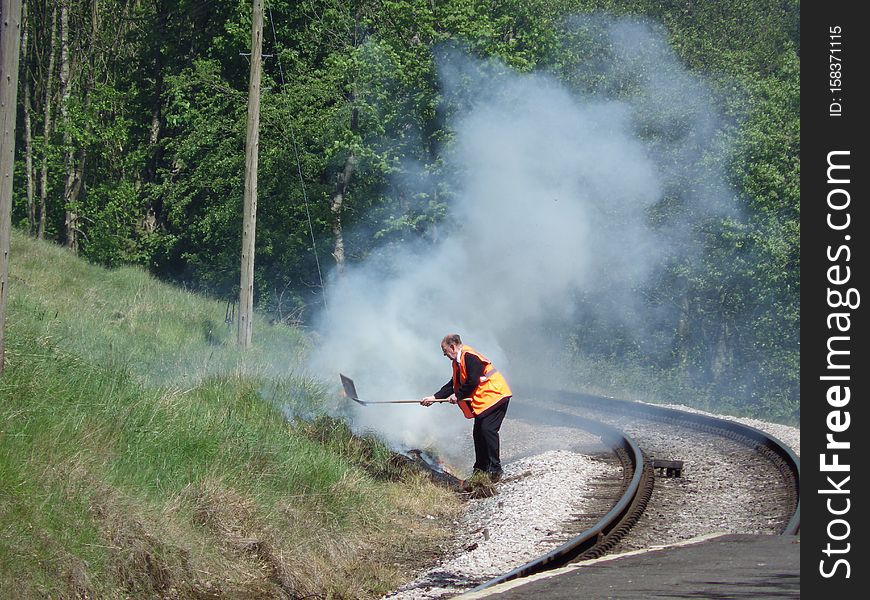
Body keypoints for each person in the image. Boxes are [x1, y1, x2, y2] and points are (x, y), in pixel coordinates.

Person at [421, 334, 512, 481]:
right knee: (478, 433)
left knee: (487, 430)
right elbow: (453, 384)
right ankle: (480, 470)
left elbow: (473, 380)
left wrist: (458, 396)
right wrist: (435, 397)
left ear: (453, 346)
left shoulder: (469, 356)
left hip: (496, 396)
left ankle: (495, 470)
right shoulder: (458, 362)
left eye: (444, 350)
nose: (444, 354)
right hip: (487, 401)